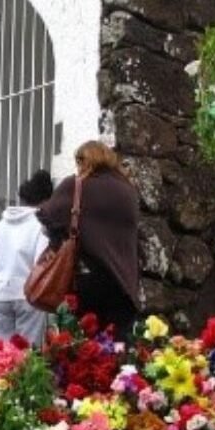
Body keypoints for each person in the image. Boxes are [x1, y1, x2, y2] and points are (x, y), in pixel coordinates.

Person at [37, 141, 140, 339]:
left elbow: (47, 216)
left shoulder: (76, 185)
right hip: (124, 285)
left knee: (82, 348)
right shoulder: (128, 190)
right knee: (117, 347)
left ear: (86, 160)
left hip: (87, 282)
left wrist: (59, 242)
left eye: (79, 161)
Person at [0, 170, 53, 344]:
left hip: (0, 293)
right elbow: (40, 262)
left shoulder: (1, 225)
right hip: (28, 295)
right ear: (45, 200)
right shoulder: (40, 224)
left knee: (1, 352)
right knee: (27, 353)